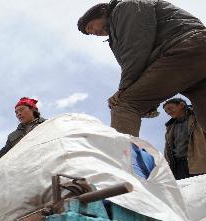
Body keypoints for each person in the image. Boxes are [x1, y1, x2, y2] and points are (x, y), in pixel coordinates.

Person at [77, 1, 206, 137]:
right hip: (192, 56)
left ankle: (123, 156)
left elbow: (136, 50)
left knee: (125, 104)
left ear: (102, 12)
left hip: (184, 48)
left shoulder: (125, 8)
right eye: (91, 33)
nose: (95, 33)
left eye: (91, 26)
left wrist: (124, 89)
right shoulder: (117, 30)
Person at [0, 97, 47, 168]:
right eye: (16, 112)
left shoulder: (48, 124)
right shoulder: (12, 136)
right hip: (23, 167)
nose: (18, 114)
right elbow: (3, 152)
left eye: (21, 110)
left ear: (33, 109)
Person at [162, 98, 206, 179]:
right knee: (184, 189)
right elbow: (167, 149)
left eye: (170, 108)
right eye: (166, 111)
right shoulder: (170, 126)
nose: (168, 112)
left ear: (181, 105)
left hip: (198, 161)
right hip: (178, 165)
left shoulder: (198, 117)